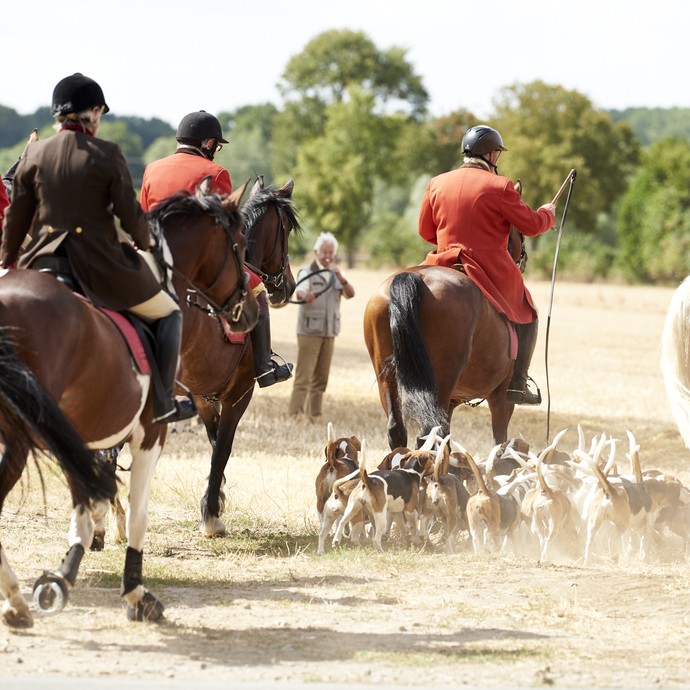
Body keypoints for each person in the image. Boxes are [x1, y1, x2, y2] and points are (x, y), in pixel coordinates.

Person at [0, 73, 195, 424]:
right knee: (169, 313)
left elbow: (16, 219)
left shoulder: (34, 153)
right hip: (97, 267)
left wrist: (10, 261)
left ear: (58, 116)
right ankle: (163, 402)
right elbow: (130, 214)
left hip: (40, 261)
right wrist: (145, 241)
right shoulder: (107, 154)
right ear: (92, 112)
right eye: (100, 114)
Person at [141, 111, 293, 388]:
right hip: (196, 263)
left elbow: (143, 215)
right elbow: (224, 226)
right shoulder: (215, 173)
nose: (216, 151)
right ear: (209, 143)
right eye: (217, 146)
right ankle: (263, 367)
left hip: (153, 258)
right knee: (256, 288)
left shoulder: (152, 168)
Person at [418, 124, 557, 405]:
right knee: (528, 310)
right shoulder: (501, 185)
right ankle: (518, 383)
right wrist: (547, 213)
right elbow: (530, 225)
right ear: (492, 155)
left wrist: (448, 241)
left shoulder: (436, 182)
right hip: (487, 264)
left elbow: (425, 231)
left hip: (441, 259)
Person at [288, 232, 355, 417]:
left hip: (329, 332)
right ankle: (294, 415)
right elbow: (300, 291)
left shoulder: (336, 274)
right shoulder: (307, 271)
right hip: (309, 332)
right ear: (316, 252)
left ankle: (314, 415)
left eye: (331, 252)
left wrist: (341, 277)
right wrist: (304, 296)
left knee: (321, 379)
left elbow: (351, 294)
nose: (327, 256)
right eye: (324, 251)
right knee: (304, 377)